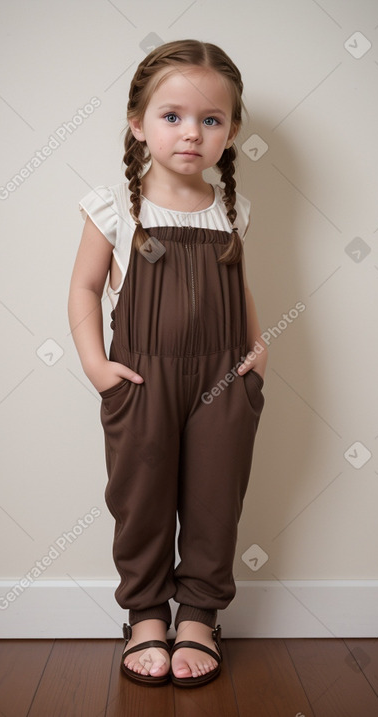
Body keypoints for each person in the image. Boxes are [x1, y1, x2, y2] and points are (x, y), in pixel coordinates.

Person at [68, 39, 267, 687]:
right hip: (142, 379)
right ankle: (148, 612)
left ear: (231, 132)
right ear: (138, 123)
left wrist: (257, 350)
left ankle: (201, 614)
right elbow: (84, 290)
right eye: (173, 116)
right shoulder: (116, 209)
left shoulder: (233, 210)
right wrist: (98, 365)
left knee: (215, 497)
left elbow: (240, 290)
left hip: (224, 378)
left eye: (211, 120)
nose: (192, 133)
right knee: (142, 497)